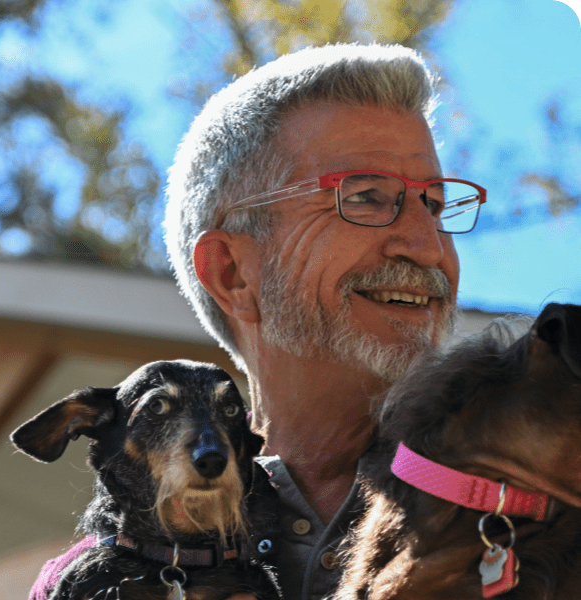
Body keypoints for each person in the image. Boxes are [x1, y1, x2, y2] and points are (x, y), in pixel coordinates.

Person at [30, 42, 484, 600]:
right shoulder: (90, 583)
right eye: (365, 197)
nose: (427, 246)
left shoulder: (536, 501)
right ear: (232, 273)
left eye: (434, 205)